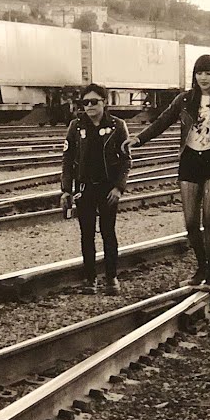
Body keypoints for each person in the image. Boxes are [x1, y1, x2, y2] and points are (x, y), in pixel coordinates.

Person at [127, 54, 210, 291]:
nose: (203, 78)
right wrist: (139, 139)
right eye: (199, 73)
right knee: (191, 222)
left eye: (209, 73)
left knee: (209, 219)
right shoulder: (184, 100)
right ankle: (201, 268)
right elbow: (162, 122)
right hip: (190, 161)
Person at [61, 83, 132, 295]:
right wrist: (66, 190)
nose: (89, 106)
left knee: (108, 232)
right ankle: (90, 279)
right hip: (85, 188)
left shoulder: (118, 126)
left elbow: (126, 161)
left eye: (94, 102)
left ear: (104, 102)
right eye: (85, 103)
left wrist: (119, 188)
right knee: (87, 234)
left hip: (108, 189)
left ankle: (111, 278)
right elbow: (67, 160)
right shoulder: (76, 127)